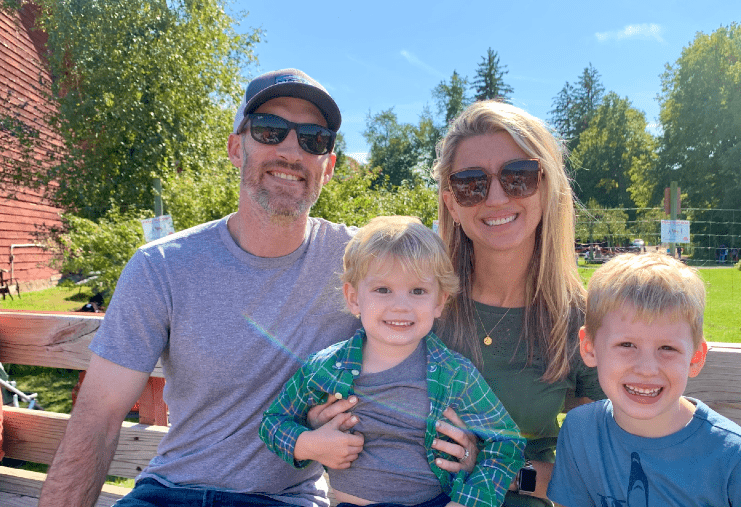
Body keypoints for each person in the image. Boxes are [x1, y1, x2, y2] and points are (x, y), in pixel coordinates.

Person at [38, 69, 473, 507]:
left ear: (328, 167)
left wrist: (478, 446)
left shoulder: (365, 266)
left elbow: (447, 285)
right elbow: (97, 418)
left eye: (313, 139)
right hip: (168, 493)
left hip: (284, 498)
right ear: (235, 148)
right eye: (269, 130)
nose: (291, 151)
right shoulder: (162, 267)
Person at [260, 216, 525, 507]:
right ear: (354, 298)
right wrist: (307, 444)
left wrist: (467, 502)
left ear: (439, 301)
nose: (401, 305)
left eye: (418, 291)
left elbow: (506, 444)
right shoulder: (326, 368)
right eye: (383, 290)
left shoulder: (454, 374)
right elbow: (273, 422)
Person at [431, 100, 606, 507]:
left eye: (518, 177)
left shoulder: (578, 319)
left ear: (546, 188)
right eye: (471, 183)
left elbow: (601, 471)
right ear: (452, 203)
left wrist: (500, 471)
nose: (495, 197)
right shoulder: (419, 307)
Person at [547, 252, 741, 507]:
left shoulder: (739, 460)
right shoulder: (581, 432)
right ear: (589, 348)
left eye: (667, 348)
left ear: (695, 357)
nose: (647, 369)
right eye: (626, 345)